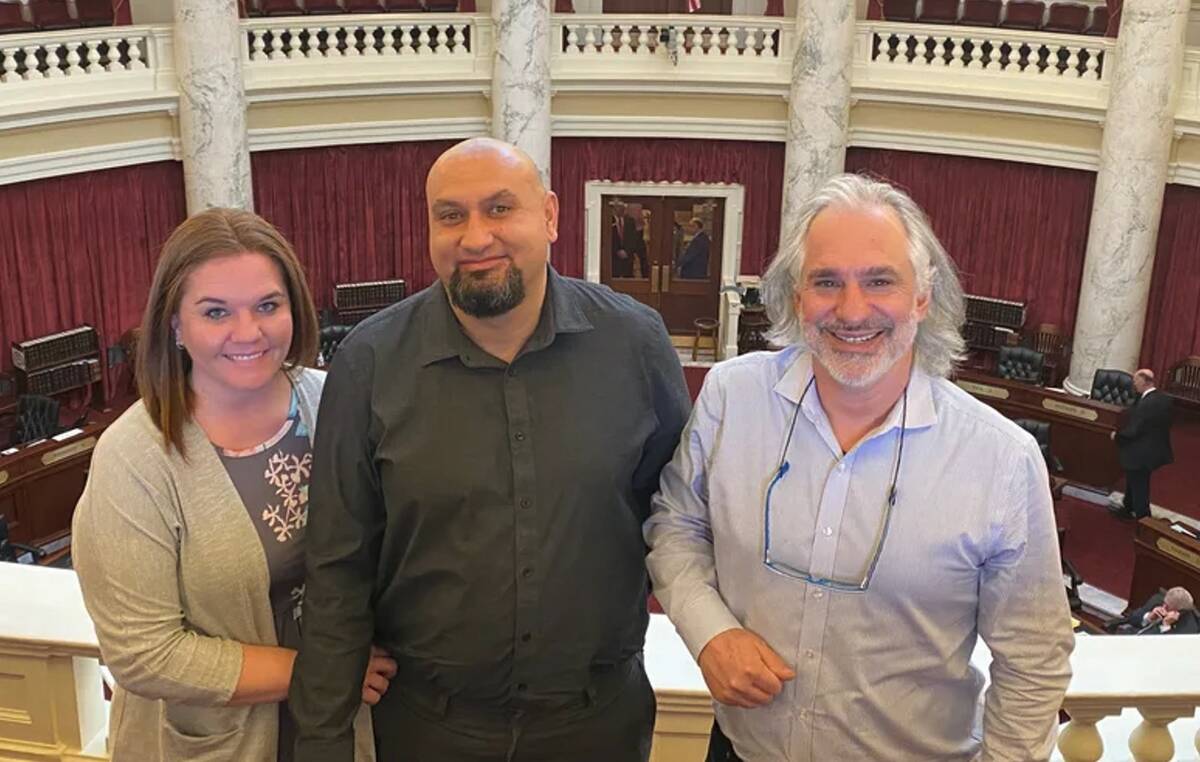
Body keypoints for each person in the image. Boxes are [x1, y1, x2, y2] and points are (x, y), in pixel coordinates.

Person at [645, 174, 1074, 761]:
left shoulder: (1000, 459)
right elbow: (676, 524)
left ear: (922, 297)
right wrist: (710, 631)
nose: (851, 311)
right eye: (827, 282)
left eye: (880, 281)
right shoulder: (730, 397)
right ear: (797, 297)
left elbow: (1033, 660)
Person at [290, 138, 690, 762]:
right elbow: (339, 566)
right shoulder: (368, 362)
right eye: (451, 215)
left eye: (500, 209)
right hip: (429, 729)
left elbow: (677, 521)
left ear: (551, 216)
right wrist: (321, 741)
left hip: (598, 726)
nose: (475, 238)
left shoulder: (635, 344)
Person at [71, 209, 388, 762]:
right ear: (174, 324)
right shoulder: (134, 458)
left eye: (268, 305)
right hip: (210, 739)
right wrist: (325, 669)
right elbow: (144, 653)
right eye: (216, 311)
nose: (249, 332)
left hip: (347, 719)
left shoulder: (338, 400)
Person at [1109, 368, 1174, 521]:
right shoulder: (1163, 399)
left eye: (1136, 381)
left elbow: (1133, 431)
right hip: (1155, 448)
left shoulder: (1145, 405)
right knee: (1134, 480)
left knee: (1140, 487)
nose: (1134, 384)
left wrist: (1116, 436)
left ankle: (1144, 520)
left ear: (1145, 381)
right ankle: (1128, 507)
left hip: (1141, 452)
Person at [1109, 587, 1200, 634]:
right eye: (1164, 603)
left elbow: (1156, 647)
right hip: (1129, 637)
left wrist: (1165, 626)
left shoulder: (1187, 629)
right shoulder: (1158, 600)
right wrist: (1148, 617)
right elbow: (1132, 618)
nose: (1163, 607)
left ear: (1178, 611)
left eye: (1167, 607)